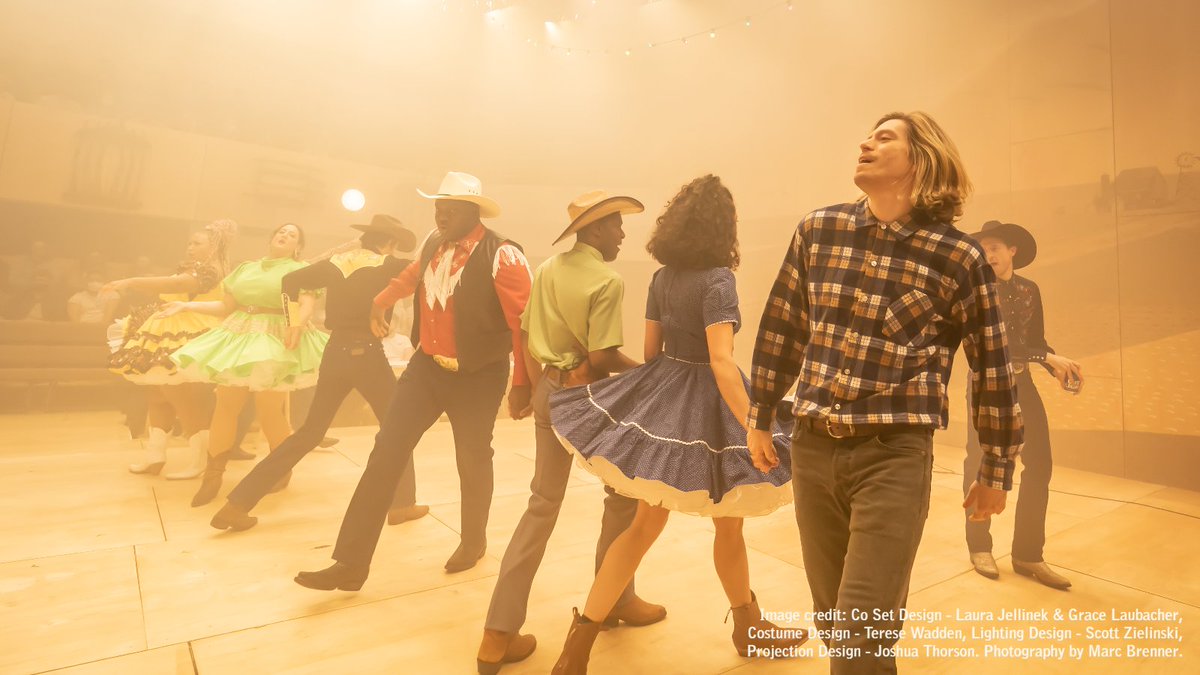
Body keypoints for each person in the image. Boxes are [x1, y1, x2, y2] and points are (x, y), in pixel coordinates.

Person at [746, 112, 1024, 674]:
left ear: (923, 159)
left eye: (884, 137)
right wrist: (761, 414)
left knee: (860, 628)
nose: (865, 142)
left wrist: (996, 466)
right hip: (813, 448)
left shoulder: (958, 256)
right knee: (836, 624)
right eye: (868, 135)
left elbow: (991, 365)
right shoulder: (818, 230)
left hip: (893, 455)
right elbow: (783, 326)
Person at [549, 176, 804, 674]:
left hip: (666, 390)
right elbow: (721, 361)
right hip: (713, 402)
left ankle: (576, 648)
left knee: (642, 526)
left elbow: (651, 352)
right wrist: (753, 423)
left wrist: (664, 394)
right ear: (722, 227)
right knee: (728, 526)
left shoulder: (663, 277)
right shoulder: (718, 280)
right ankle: (749, 629)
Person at [294, 171, 532, 589]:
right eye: (438, 208)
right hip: (427, 368)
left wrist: (522, 384)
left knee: (473, 458)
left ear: (472, 211)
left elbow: (522, 324)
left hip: (479, 375)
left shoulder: (503, 254)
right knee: (386, 451)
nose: (441, 215)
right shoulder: (434, 243)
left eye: (450, 209)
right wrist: (380, 301)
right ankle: (350, 563)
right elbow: (411, 276)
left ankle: (473, 540)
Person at [477, 190, 667, 674]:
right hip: (589, 401)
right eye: (616, 225)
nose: (622, 234)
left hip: (550, 391)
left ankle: (497, 634)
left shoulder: (547, 269)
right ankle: (615, 599)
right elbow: (601, 359)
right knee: (623, 494)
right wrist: (650, 374)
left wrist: (532, 388)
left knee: (541, 505)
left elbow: (525, 334)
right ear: (595, 229)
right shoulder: (606, 279)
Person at [211, 215, 428, 531]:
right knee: (398, 429)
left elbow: (290, 282)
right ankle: (402, 504)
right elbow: (427, 275)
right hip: (367, 353)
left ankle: (237, 504)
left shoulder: (336, 263)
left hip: (335, 351)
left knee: (310, 432)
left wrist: (293, 322)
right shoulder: (392, 265)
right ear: (391, 242)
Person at [168, 223, 328, 507]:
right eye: (281, 231)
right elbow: (225, 307)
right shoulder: (246, 269)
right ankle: (213, 476)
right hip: (240, 334)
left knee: (269, 409)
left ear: (298, 247)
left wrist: (297, 324)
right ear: (271, 237)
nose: (284, 235)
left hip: (275, 336)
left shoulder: (300, 269)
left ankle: (280, 470)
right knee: (225, 405)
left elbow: (306, 304)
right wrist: (187, 306)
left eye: (292, 235)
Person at [964, 220, 1081, 589]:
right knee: (979, 463)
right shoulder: (974, 292)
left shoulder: (1030, 289)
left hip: (1022, 384)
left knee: (1040, 464)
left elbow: (1036, 343)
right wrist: (1045, 357)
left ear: (1011, 250)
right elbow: (992, 346)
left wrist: (1056, 366)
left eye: (995, 247)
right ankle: (979, 546)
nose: (989, 255)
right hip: (985, 386)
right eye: (983, 250)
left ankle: (1028, 554)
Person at [107, 220, 237, 477]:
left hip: (188, 333)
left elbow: (176, 286)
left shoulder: (211, 270)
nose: (190, 247)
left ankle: (199, 461)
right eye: (189, 243)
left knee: (182, 398)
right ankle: (155, 456)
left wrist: (131, 280)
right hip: (168, 330)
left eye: (197, 243)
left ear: (213, 247)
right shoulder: (195, 267)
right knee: (158, 395)